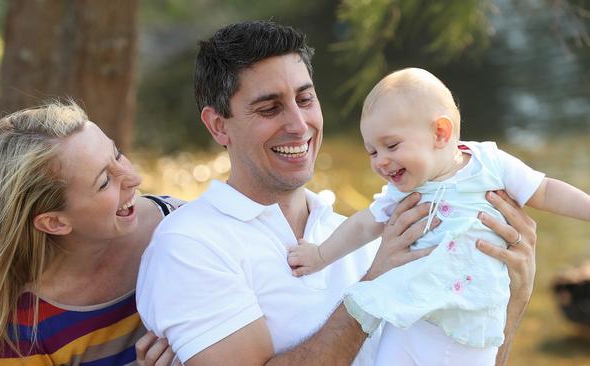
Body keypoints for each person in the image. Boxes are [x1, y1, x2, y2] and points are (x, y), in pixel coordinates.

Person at [136, 21, 538, 366]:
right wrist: (373, 288)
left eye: (305, 98)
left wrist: (512, 299)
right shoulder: (191, 246)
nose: (299, 124)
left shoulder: (357, 232)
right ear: (219, 126)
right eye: (269, 108)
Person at [287, 67, 590, 364]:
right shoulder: (402, 192)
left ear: (440, 133)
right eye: (372, 152)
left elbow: (546, 191)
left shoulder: (491, 165)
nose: (381, 161)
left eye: (391, 145)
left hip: (474, 319)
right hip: (411, 320)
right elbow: (364, 225)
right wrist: (320, 256)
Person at [0, 102, 183, 366]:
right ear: (54, 222)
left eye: (117, 154)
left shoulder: (180, 225)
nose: (133, 178)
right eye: (104, 181)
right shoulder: (22, 336)